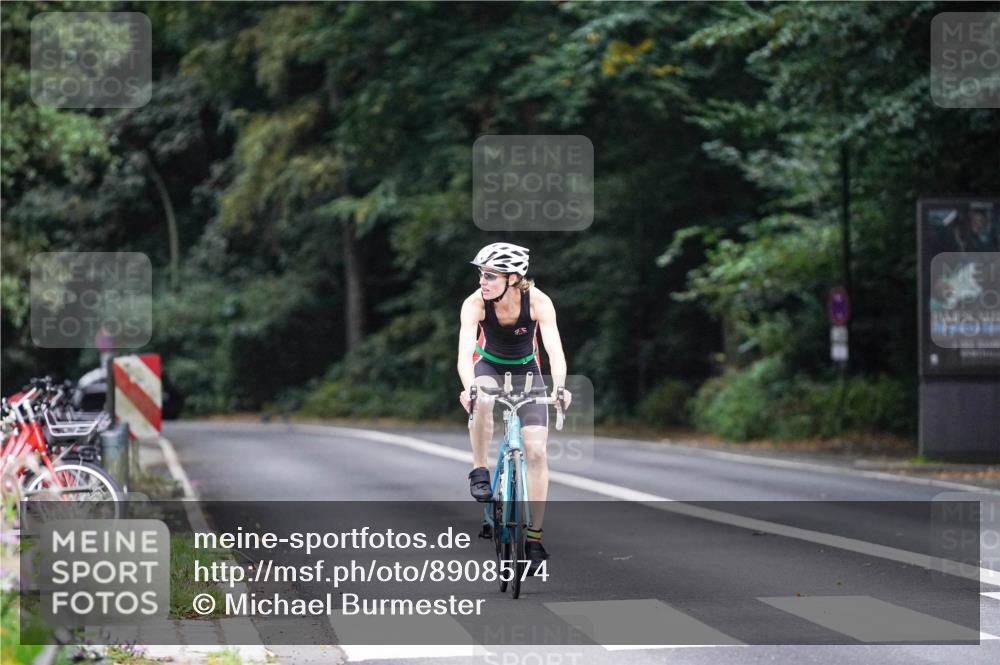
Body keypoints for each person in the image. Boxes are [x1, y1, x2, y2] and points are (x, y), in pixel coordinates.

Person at [457, 242, 572, 572]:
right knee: (483, 399)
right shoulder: (475, 303)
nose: (483, 281)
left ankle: (534, 538)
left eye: (490, 275)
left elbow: (555, 353)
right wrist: (470, 389)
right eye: (481, 274)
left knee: (536, 451)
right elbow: (465, 356)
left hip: (526, 371)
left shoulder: (538, 302)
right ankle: (480, 469)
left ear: (512, 277)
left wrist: (560, 387)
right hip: (488, 367)